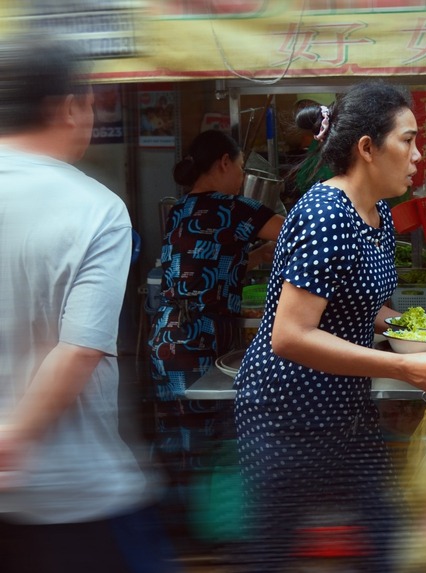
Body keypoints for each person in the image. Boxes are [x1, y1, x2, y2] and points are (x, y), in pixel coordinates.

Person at [233, 80, 426, 572]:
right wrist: (402, 367)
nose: (418, 155)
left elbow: (363, 306)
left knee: (380, 538)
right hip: (287, 415)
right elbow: (290, 335)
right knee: (276, 552)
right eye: (408, 140)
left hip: (344, 409)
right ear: (368, 148)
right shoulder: (325, 213)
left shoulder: (378, 215)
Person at [0, 37, 177, 572]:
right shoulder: (95, 208)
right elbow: (79, 349)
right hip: (75, 490)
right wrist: (13, 439)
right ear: (68, 106)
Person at [147, 128, 284, 544]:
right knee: (209, 432)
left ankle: (179, 526)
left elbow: (212, 263)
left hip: (169, 337)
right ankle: (212, 528)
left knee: (178, 434)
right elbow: (296, 231)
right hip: (197, 339)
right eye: (241, 167)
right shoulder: (231, 207)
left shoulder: (184, 207)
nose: (242, 177)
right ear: (224, 162)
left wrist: (256, 256)